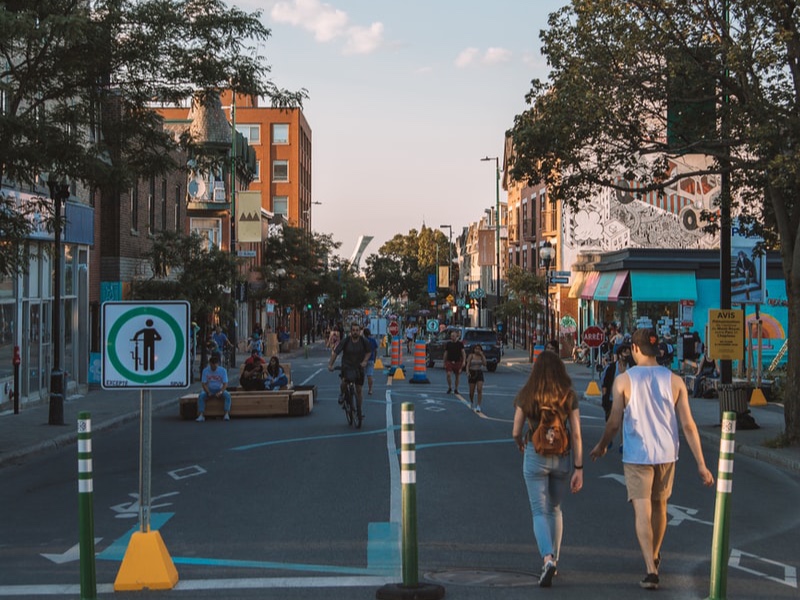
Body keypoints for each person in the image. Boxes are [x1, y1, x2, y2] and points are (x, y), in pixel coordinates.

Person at [590, 328, 714, 590]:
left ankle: (650, 567)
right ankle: (655, 555)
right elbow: (689, 425)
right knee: (660, 508)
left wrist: (602, 445)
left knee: (642, 510)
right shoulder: (675, 380)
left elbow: (614, 422)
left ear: (635, 349)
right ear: (656, 350)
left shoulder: (624, 380)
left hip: (637, 454)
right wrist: (701, 464)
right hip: (667, 454)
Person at [512, 350, 584, 588]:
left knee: (538, 511)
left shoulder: (527, 394)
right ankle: (556, 558)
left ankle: (547, 558)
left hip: (535, 453)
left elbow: (515, 430)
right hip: (561, 457)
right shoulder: (568, 395)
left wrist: (521, 442)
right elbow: (576, 433)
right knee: (555, 509)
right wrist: (579, 467)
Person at [328, 323, 372, 420]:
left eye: (357, 330)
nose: (355, 332)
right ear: (351, 331)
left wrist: (365, 361)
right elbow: (336, 352)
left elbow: (369, 352)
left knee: (359, 389)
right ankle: (342, 394)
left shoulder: (363, 341)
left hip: (359, 367)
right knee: (344, 382)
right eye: (353, 330)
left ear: (359, 331)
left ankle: (359, 410)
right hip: (347, 366)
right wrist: (330, 364)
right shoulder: (346, 341)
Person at [196, 352, 231, 422]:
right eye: (212, 365)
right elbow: (204, 383)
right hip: (209, 389)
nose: (214, 367)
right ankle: (201, 414)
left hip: (219, 388)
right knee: (201, 396)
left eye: (215, 365)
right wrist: (208, 392)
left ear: (218, 364)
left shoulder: (222, 371)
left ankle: (226, 413)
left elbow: (225, 384)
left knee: (227, 396)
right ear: (210, 364)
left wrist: (221, 391)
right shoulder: (205, 371)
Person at [465, 343, 487, 412]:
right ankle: (471, 401)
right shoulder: (471, 356)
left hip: (479, 372)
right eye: (476, 348)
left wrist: (482, 355)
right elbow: (468, 364)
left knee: (479, 389)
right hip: (472, 372)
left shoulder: (481, 356)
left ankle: (478, 405)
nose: (477, 350)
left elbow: (485, 364)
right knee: (471, 391)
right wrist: (467, 372)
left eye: (479, 349)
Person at [443, 329, 466, 395]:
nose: (452, 337)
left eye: (453, 336)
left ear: (456, 336)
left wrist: (464, 361)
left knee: (457, 376)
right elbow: (446, 353)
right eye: (451, 336)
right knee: (448, 374)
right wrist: (444, 362)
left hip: (457, 361)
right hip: (449, 361)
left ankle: (456, 389)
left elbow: (463, 353)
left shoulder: (460, 344)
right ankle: (450, 387)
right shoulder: (448, 344)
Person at [363, 328, 379, 395]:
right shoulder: (373, 340)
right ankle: (370, 390)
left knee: (361, 375)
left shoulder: (362, 340)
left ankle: (360, 388)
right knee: (370, 375)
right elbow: (375, 350)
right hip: (371, 359)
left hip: (363, 360)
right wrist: (375, 358)